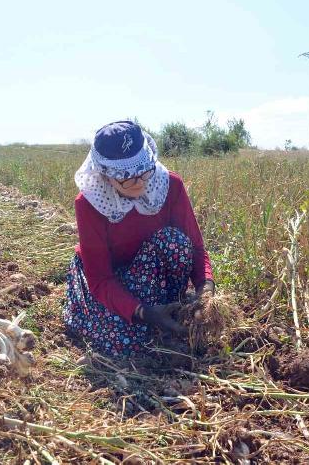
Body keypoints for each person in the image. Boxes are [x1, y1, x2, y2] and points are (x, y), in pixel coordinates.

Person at [63, 120, 215, 357]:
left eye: (144, 171)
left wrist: (205, 288)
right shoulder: (89, 204)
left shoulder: (169, 185)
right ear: (105, 175)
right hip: (111, 279)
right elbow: (101, 279)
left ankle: (170, 305)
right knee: (123, 342)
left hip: (152, 270)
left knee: (175, 242)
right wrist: (144, 312)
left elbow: (194, 247)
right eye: (127, 177)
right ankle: (151, 313)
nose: (140, 182)